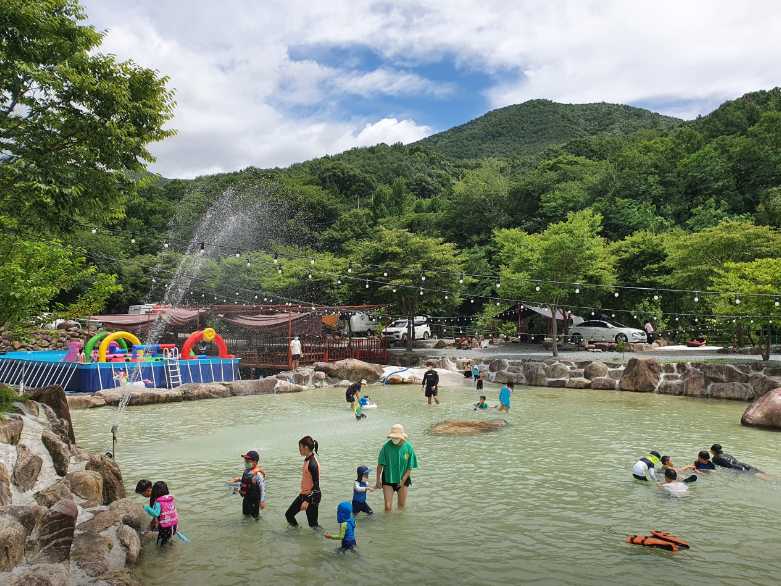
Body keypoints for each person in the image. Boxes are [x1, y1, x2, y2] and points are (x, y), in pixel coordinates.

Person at [375, 424, 418, 512]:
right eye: (393, 437)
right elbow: (380, 465)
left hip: (403, 480)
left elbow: (409, 467)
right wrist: (377, 480)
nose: (394, 439)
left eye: (397, 437)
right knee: (387, 507)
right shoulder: (386, 447)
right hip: (388, 479)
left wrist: (402, 481)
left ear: (402, 437)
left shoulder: (408, 447)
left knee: (401, 506)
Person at [285, 436, 321, 529]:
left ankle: (322, 539)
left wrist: (307, 501)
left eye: (300, 447)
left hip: (312, 497)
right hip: (304, 494)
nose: (299, 450)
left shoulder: (312, 463)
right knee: (289, 515)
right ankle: (297, 533)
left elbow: (316, 487)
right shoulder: (307, 459)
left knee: (313, 525)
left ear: (306, 447)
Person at [229, 450, 267, 520]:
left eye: (248, 461)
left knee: (255, 518)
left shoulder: (258, 474)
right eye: (245, 460)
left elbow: (263, 488)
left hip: (254, 500)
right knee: (245, 515)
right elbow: (247, 480)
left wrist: (262, 501)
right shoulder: (247, 470)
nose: (246, 462)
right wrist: (238, 479)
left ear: (255, 462)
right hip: (246, 498)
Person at [144, 481, 179, 545]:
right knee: (168, 539)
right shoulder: (170, 500)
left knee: (160, 545)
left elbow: (156, 514)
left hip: (165, 528)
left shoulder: (158, 502)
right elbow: (174, 513)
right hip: (174, 526)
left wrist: (147, 508)